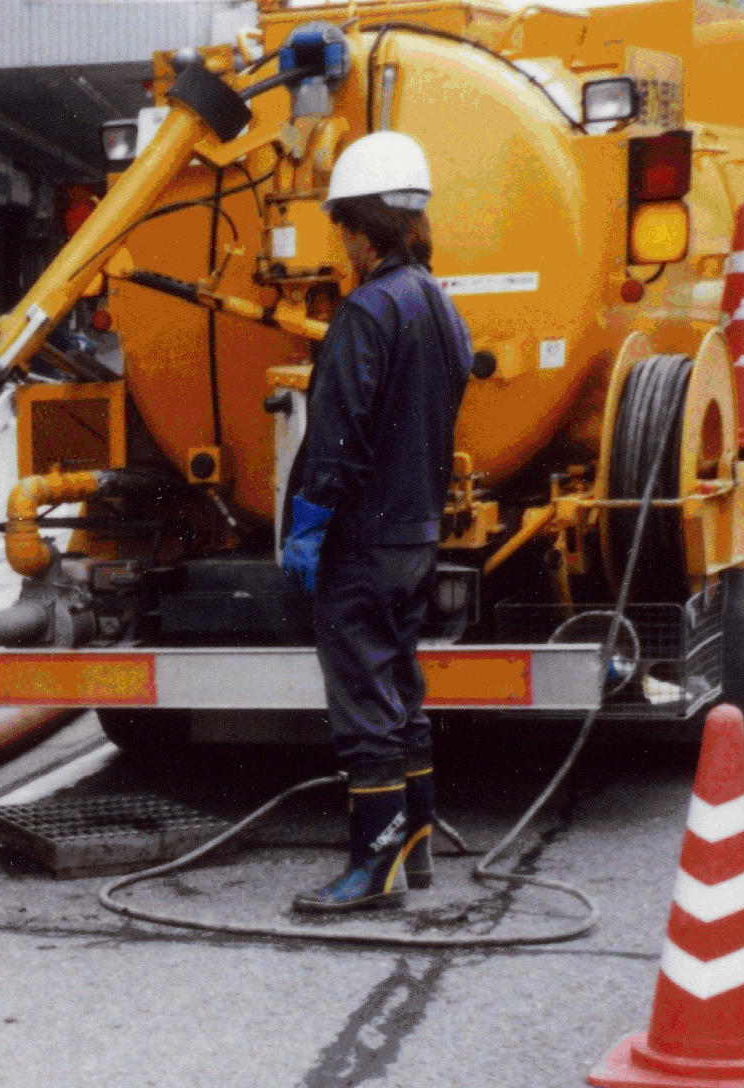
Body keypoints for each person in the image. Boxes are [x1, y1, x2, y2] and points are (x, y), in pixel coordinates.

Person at [280, 132, 473, 913]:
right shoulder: (439, 304)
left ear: (363, 229)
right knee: (400, 685)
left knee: (362, 697)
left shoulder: (368, 311)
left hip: (362, 541)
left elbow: (335, 440)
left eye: (343, 229)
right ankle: (415, 839)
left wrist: (307, 528)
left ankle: (373, 862)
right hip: (415, 535)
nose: (342, 245)